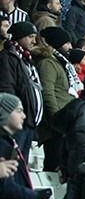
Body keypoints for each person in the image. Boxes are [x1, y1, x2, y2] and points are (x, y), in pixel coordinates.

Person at [35, 25, 80, 171]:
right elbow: (48, 92)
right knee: (54, 163)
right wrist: (56, 117)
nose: (70, 47)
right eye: (66, 43)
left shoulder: (59, 62)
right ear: (57, 43)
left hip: (62, 123)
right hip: (55, 126)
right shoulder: (48, 63)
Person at [0, 21, 43, 161]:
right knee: (13, 165)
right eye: (30, 36)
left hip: (29, 122)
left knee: (21, 167)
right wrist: (15, 115)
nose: (34, 41)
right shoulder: (8, 57)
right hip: (18, 123)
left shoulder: (26, 58)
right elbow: (8, 88)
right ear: (20, 37)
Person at [0, 93, 52, 199]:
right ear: (5, 113)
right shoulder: (3, 145)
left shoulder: (8, 142)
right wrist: (34, 196)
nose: (24, 116)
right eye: (19, 111)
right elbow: (5, 188)